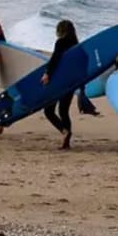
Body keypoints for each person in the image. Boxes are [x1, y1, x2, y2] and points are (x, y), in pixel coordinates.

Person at [40, 20, 79, 150]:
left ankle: (64, 131)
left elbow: (55, 59)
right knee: (63, 111)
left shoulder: (61, 42)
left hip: (59, 81)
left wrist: (47, 74)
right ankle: (66, 141)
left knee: (49, 111)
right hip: (72, 81)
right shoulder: (76, 45)